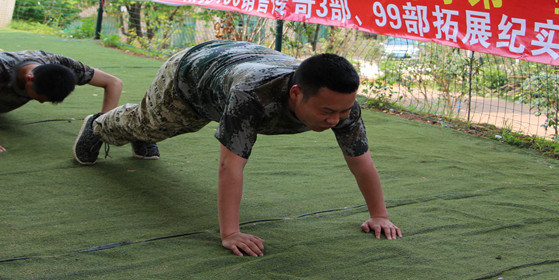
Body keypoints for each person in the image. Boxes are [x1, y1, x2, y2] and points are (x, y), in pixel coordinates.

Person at [73, 40, 401, 257]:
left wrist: (379, 215)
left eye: (343, 111)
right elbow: (230, 165)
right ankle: (98, 125)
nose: (336, 119)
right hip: (192, 76)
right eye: (327, 112)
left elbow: (361, 161)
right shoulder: (253, 94)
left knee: (159, 128)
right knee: (154, 122)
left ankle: (146, 134)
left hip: (238, 63)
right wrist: (230, 233)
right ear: (297, 93)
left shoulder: (343, 105)